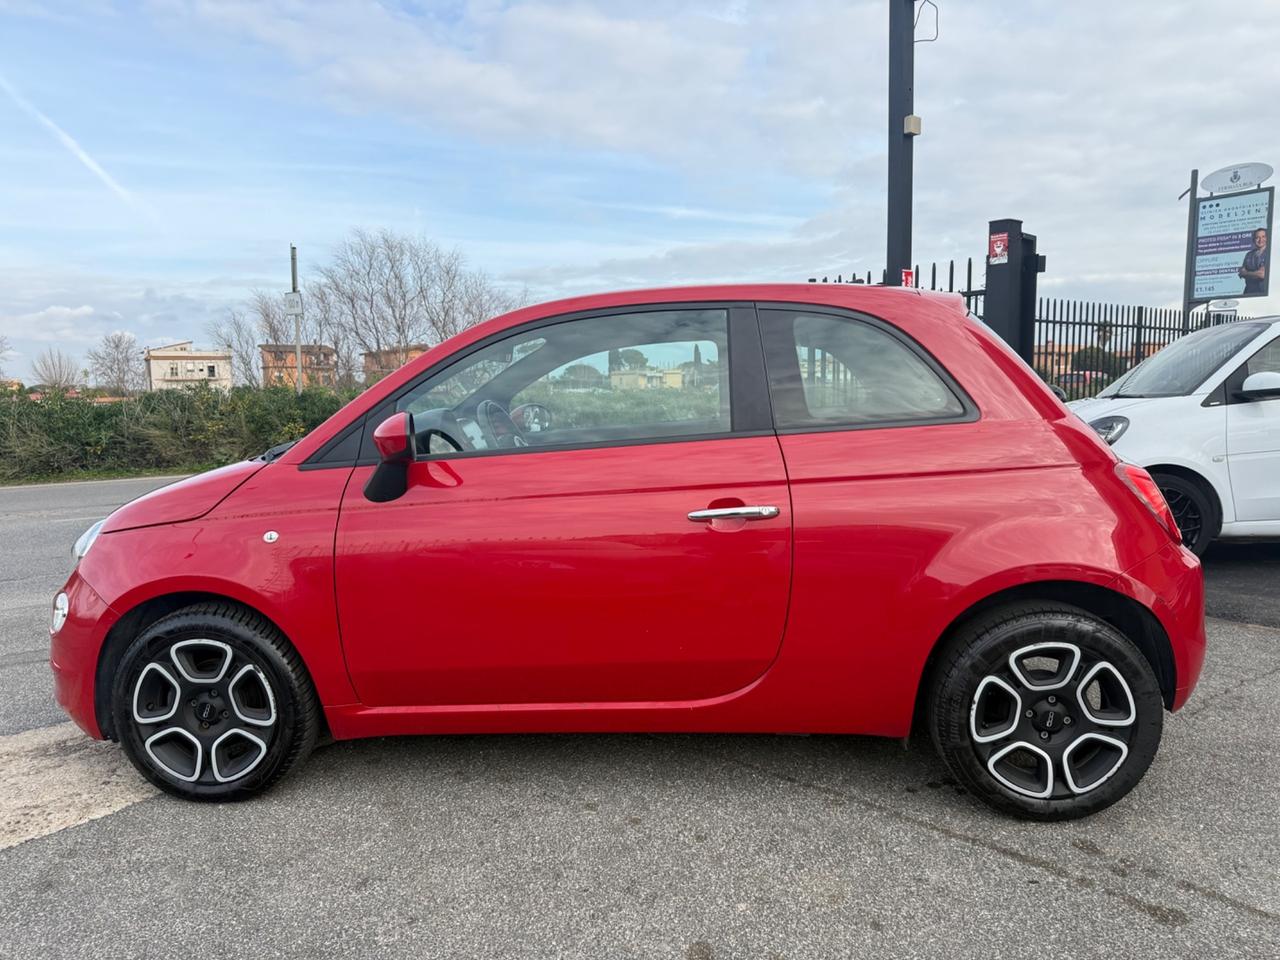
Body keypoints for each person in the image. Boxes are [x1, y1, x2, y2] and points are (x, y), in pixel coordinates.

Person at [1239, 227, 1268, 295]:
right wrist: (1256, 273)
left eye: (1263, 237)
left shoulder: (1270, 253)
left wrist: (1247, 273)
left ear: (1267, 238)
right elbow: (1241, 273)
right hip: (1249, 293)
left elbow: (1262, 274)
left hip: (1262, 293)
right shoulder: (1249, 255)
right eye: (1257, 237)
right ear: (1253, 240)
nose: (1260, 240)